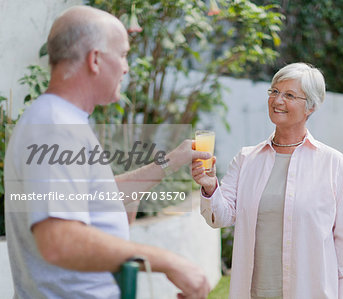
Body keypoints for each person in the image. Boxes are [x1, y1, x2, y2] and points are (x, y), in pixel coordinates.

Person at [4, 6, 210, 299]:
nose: (127, 67)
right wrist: (168, 262)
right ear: (96, 59)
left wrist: (172, 160)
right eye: (123, 54)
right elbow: (58, 241)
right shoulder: (56, 127)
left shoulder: (59, 120)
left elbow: (92, 196)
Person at [192, 63, 343, 298]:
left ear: (310, 106)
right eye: (274, 91)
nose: (277, 100)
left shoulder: (333, 163)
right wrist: (210, 186)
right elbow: (220, 217)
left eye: (289, 95)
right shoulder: (246, 159)